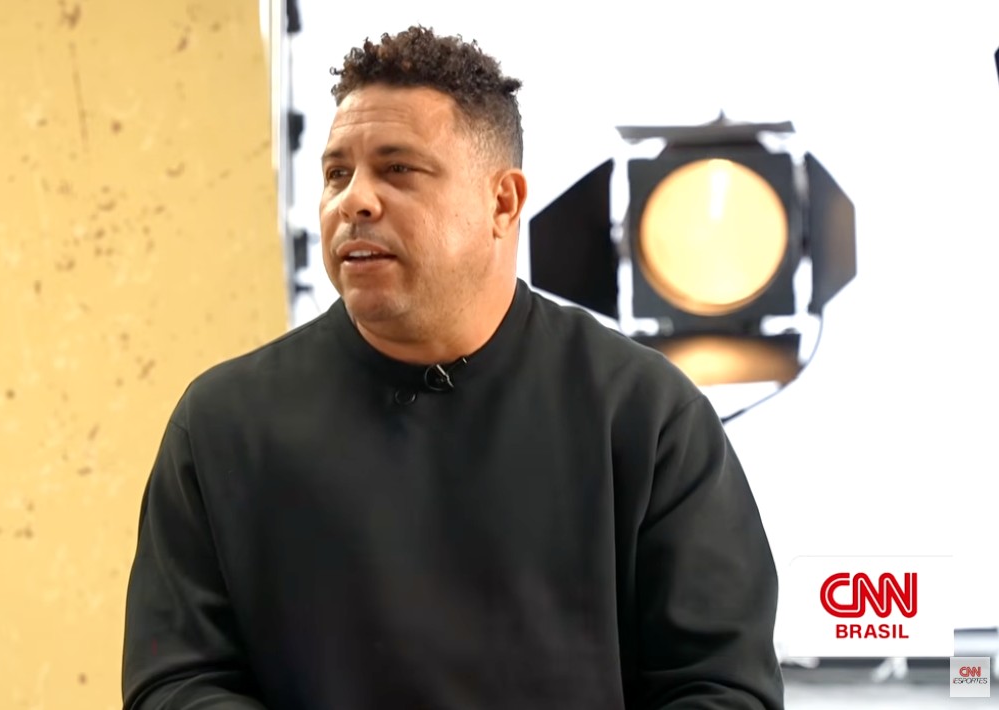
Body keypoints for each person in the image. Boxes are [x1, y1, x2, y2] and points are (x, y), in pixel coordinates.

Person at [121, 25, 785, 710]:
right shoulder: (224, 425)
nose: (355, 200)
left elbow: (722, 688)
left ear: (503, 202)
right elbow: (176, 682)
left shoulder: (644, 416)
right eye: (337, 173)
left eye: (398, 170)